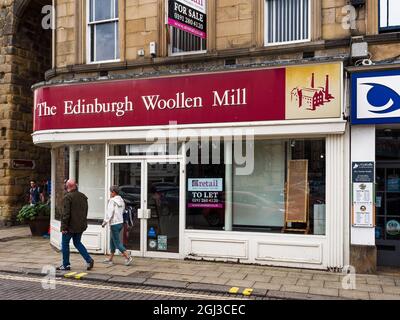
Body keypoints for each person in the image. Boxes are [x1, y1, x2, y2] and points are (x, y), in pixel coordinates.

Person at [57, 179, 94, 271]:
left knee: (65, 244)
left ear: (68, 186)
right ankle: (89, 260)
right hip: (80, 225)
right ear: (75, 186)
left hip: (69, 227)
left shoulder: (68, 197)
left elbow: (66, 214)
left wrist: (64, 227)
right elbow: (85, 212)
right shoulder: (83, 196)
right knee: (77, 243)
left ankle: (66, 265)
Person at [102, 186, 133, 266]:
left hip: (114, 224)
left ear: (113, 192)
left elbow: (109, 213)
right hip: (120, 223)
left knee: (117, 243)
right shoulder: (121, 200)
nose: (110, 193)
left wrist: (105, 222)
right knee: (112, 241)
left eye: (110, 192)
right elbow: (123, 211)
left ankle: (127, 256)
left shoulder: (112, 201)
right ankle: (110, 259)